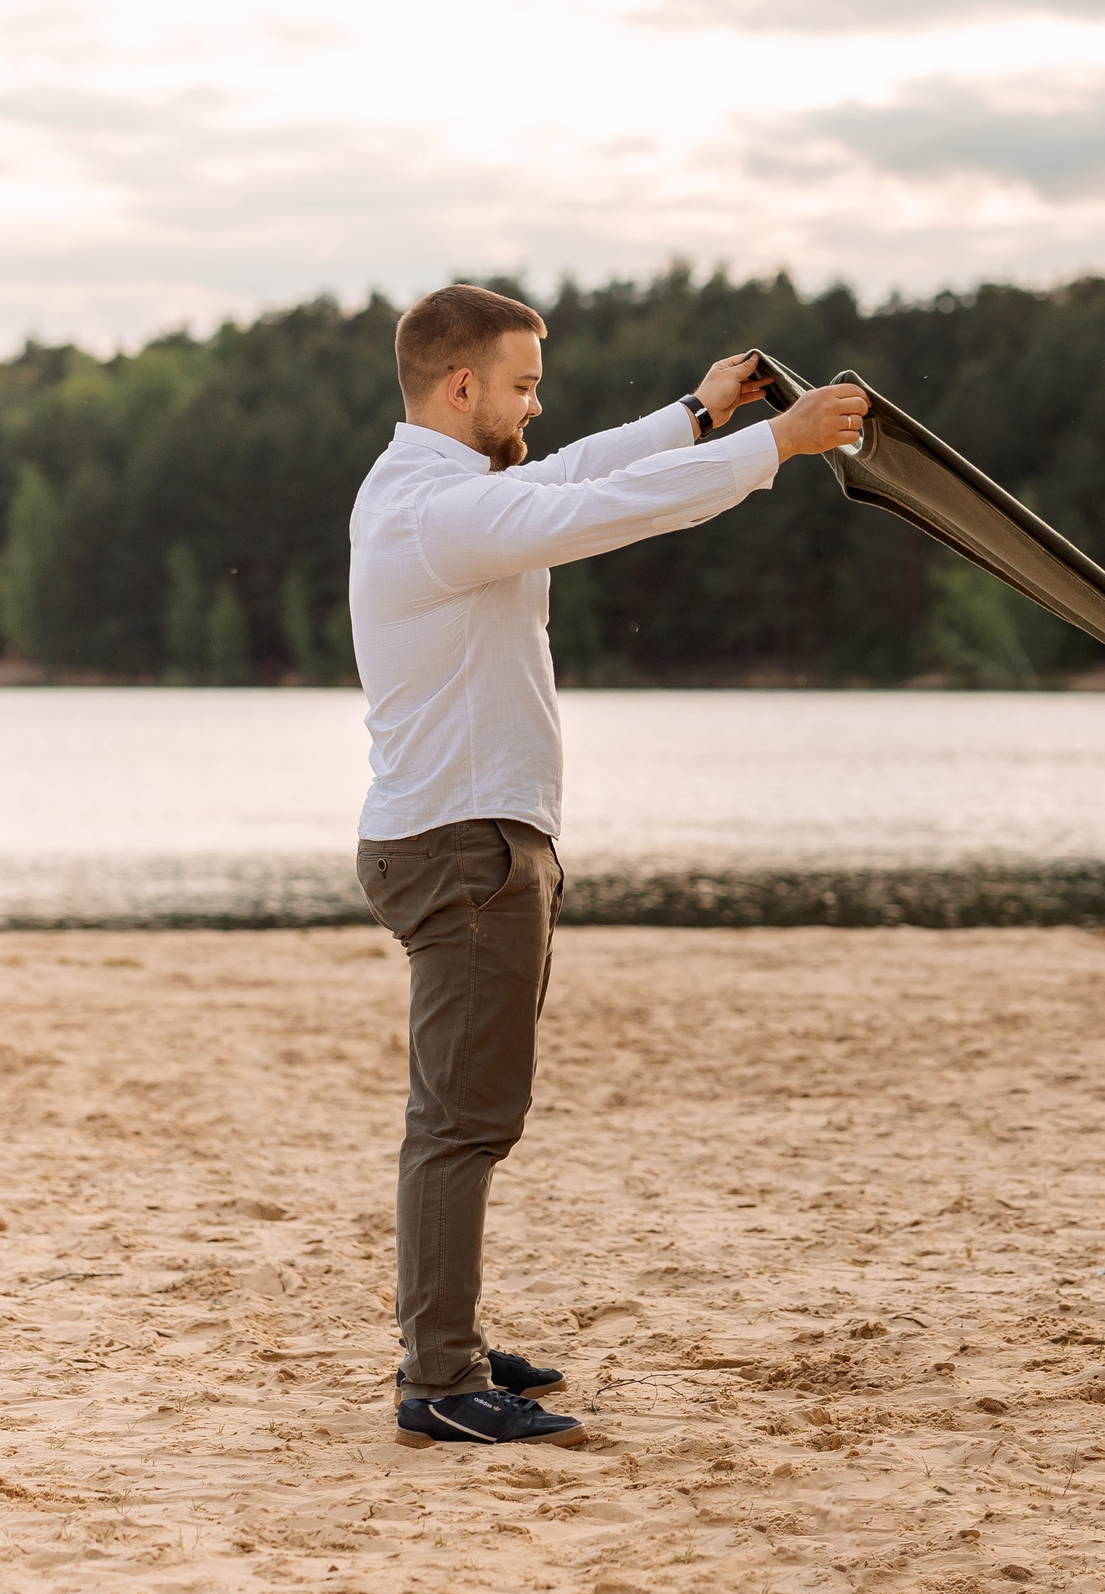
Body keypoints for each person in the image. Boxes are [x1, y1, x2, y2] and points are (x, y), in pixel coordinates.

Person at [352, 284, 867, 1447]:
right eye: (524, 384)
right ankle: (437, 1381)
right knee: (462, 1120)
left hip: (469, 838)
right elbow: (618, 510)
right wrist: (769, 446)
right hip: (462, 848)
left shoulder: (446, 491)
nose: (540, 402)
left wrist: (695, 412)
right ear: (461, 387)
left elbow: (579, 473)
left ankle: (452, 1344)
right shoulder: (435, 515)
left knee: (471, 1113)